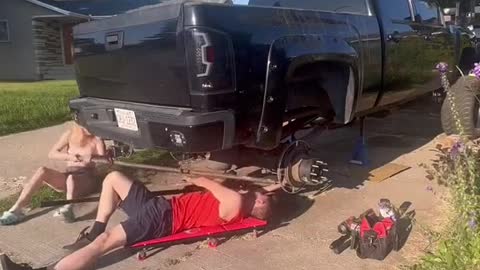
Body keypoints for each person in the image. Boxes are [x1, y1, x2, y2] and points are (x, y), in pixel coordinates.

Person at [0, 171, 280, 270]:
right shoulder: (238, 200)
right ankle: (96, 227)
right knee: (113, 178)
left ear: (258, 204)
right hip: (159, 206)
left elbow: (206, 182)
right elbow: (256, 188)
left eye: (263, 195)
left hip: (163, 218)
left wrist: (195, 178)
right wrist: (276, 186)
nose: (261, 192)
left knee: (104, 243)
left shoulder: (234, 204)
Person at [0, 123, 107, 225]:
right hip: (69, 173)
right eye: (86, 126)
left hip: (88, 178)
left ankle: (69, 209)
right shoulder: (70, 134)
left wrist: (92, 158)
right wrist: (71, 157)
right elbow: (52, 153)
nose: (90, 129)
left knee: (71, 179)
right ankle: (17, 209)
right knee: (42, 171)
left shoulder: (97, 139)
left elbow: (105, 162)